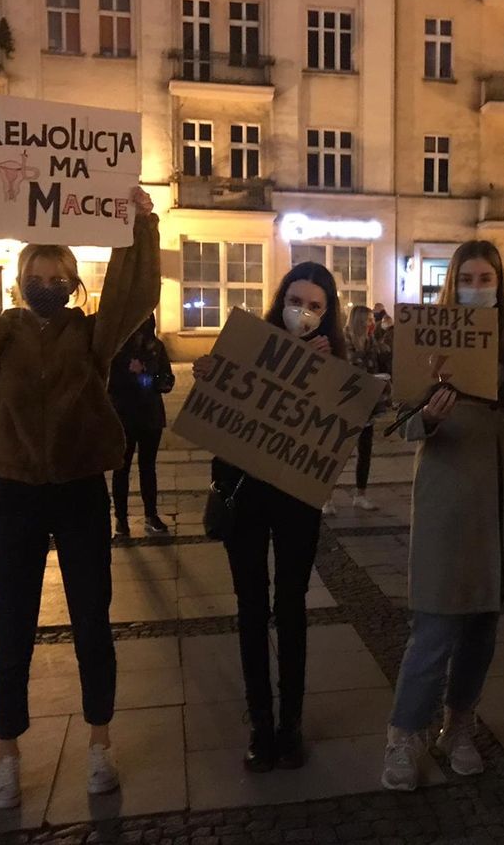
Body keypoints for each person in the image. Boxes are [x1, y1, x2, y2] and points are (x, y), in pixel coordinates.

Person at [0, 182, 160, 809]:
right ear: (22, 279)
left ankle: (100, 742)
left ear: (75, 282)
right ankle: (7, 753)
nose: (49, 283)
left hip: (81, 490)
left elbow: (136, 295)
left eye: (60, 274)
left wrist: (142, 225)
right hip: (17, 494)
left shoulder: (92, 337)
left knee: (91, 622)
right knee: (14, 625)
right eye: (39, 273)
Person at [381, 241, 504, 792]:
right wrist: (429, 416)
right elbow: (404, 420)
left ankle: (459, 726)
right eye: (467, 277)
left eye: (486, 278)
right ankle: (404, 733)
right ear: (452, 284)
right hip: (447, 496)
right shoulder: (428, 338)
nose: (476, 286)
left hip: (496, 500)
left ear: (499, 284)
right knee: (436, 625)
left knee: (482, 628)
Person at [192, 262, 345, 773]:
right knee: (252, 609)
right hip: (246, 497)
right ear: (281, 301)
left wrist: (325, 372)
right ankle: (261, 723)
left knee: (292, 607)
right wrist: (211, 378)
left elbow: (348, 426)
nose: (303, 312)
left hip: (297, 502)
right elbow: (222, 415)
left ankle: (290, 725)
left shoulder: (335, 361)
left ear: (327, 316)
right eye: (296, 300)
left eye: (315, 306)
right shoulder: (248, 347)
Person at [108, 314, 174, 537]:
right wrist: (136, 376)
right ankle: (121, 518)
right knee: (121, 468)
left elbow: (166, 379)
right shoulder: (117, 349)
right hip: (124, 417)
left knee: (148, 467)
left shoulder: (156, 347)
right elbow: (111, 383)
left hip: (150, 416)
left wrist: (146, 376)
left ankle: (151, 514)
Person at [337, 304, 384, 514]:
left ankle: (360, 494)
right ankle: (326, 498)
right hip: (344, 402)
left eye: (372, 319)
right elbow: (347, 367)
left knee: (365, 450)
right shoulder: (344, 340)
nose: (372, 323)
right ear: (359, 320)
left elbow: (376, 364)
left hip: (366, 401)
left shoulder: (370, 340)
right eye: (369, 319)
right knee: (337, 451)